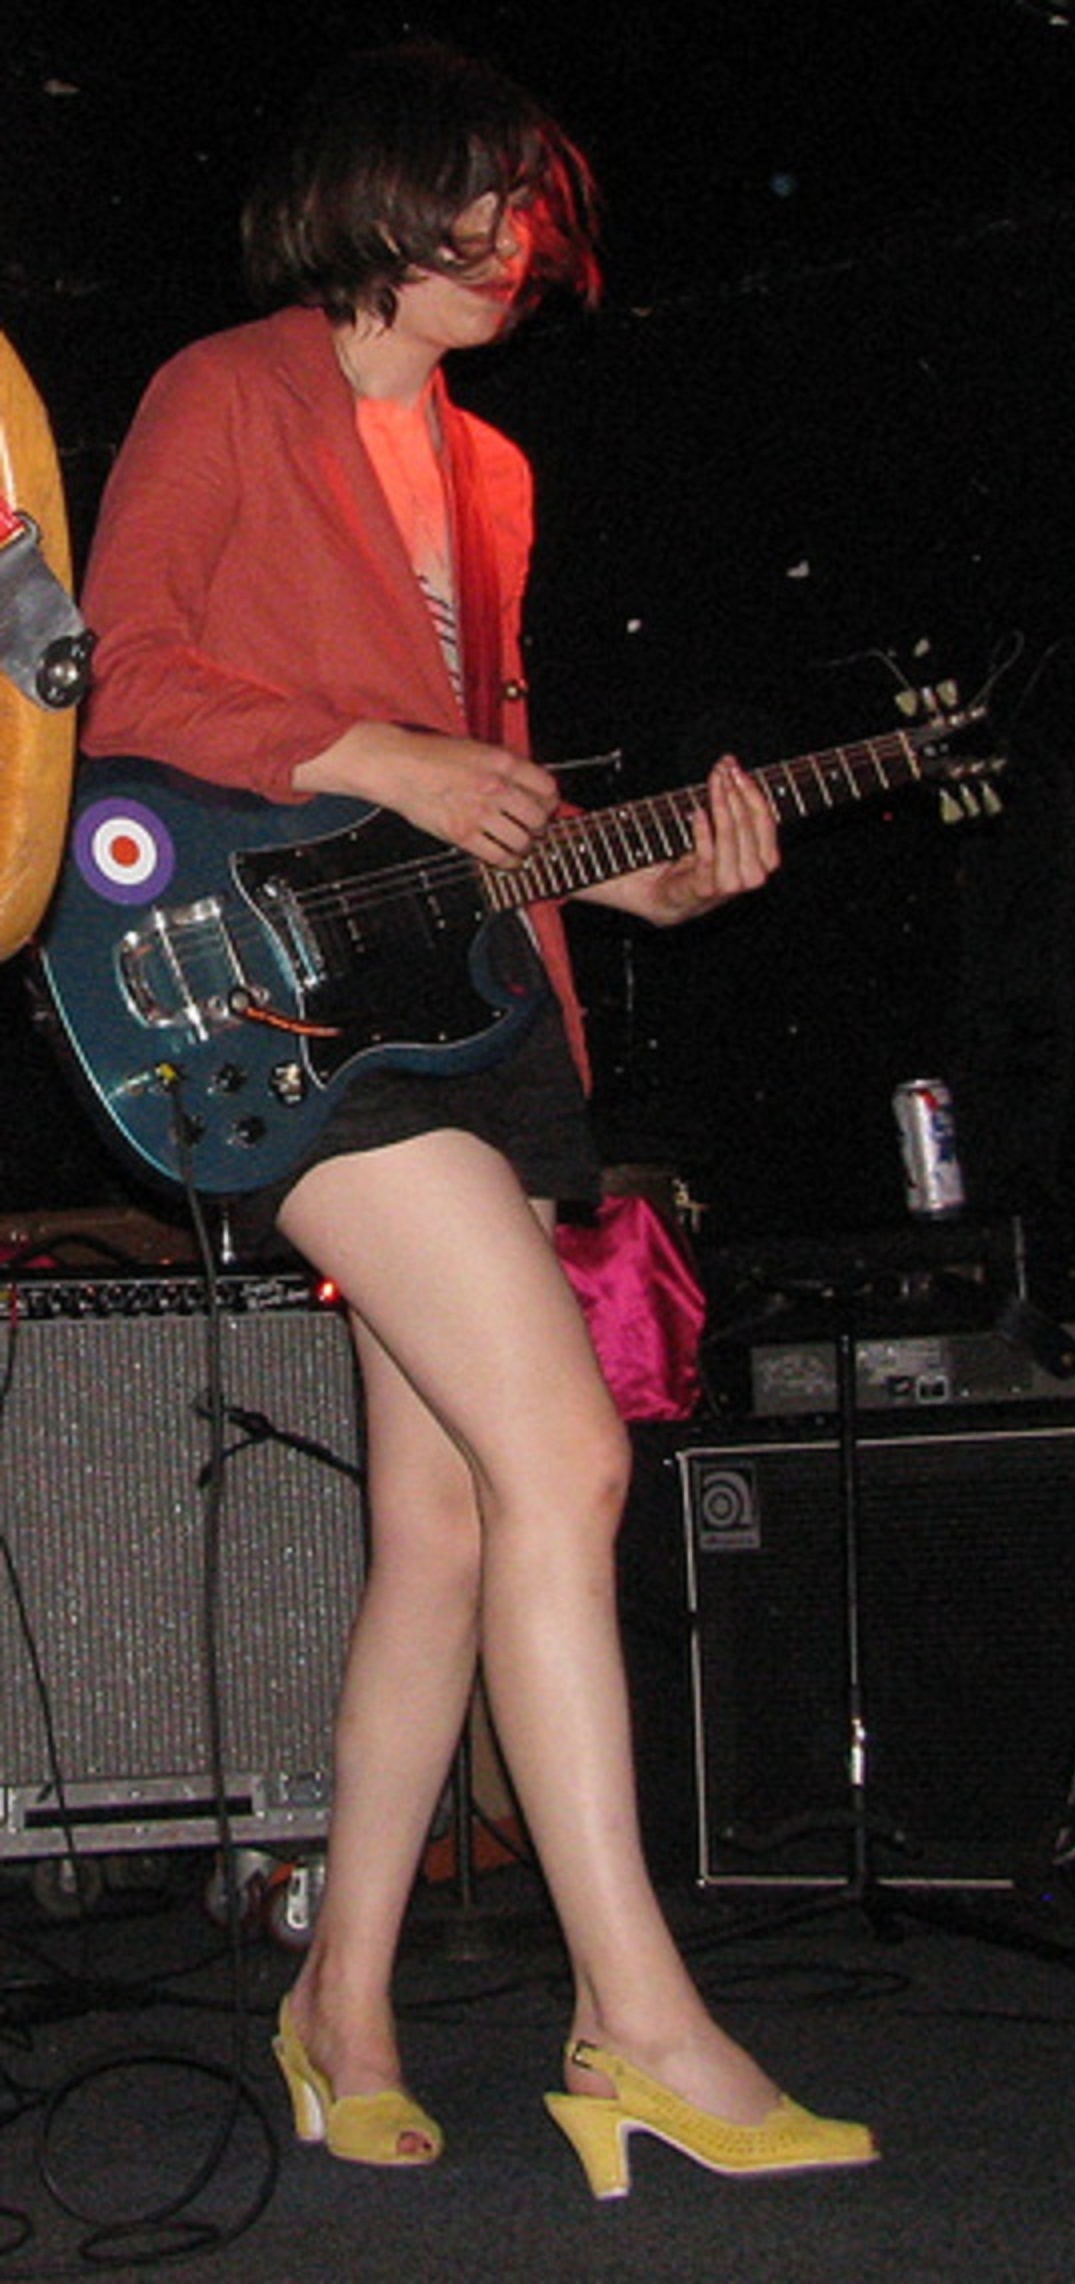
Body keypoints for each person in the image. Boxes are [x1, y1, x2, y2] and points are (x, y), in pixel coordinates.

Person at [78, 42, 876, 2198]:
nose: (521, 238)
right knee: (569, 1455)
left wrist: (636, 877)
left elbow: (484, 808)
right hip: (270, 1006)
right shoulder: (225, 391)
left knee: (443, 1525)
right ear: (377, 193)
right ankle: (637, 2021)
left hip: (472, 1011)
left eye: (536, 207)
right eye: (486, 197)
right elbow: (118, 675)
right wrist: (380, 750)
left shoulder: (493, 471)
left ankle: (337, 2005)